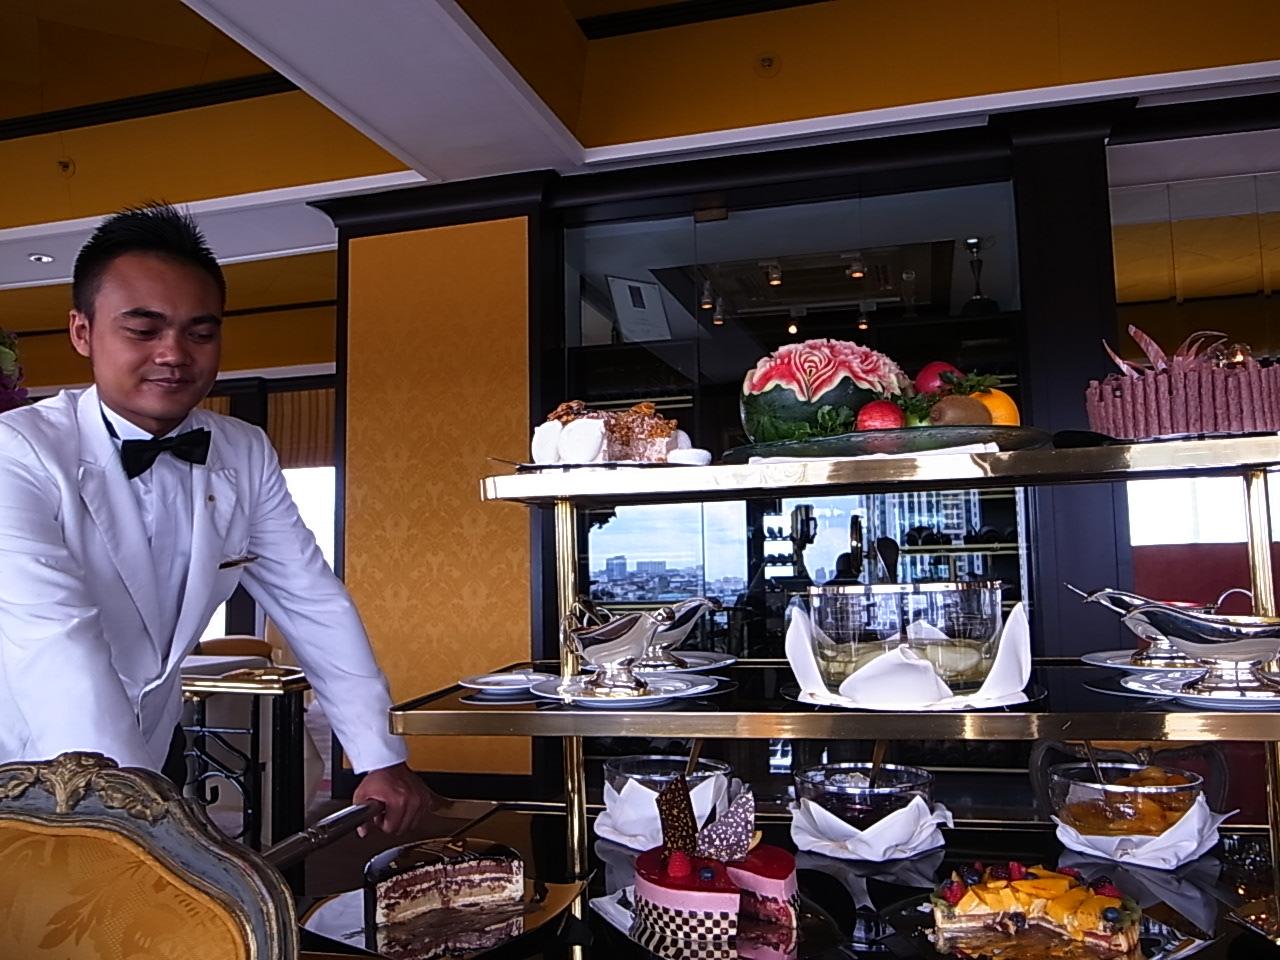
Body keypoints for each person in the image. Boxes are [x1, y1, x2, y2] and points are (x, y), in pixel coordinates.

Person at [0, 205, 434, 835]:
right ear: (83, 332)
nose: (173, 354)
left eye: (200, 334)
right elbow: (55, 640)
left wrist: (378, 753)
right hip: (26, 757)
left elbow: (312, 599)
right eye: (142, 330)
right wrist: (131, 817)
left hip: (151, 750)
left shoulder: (242, 450)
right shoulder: (17, 450)